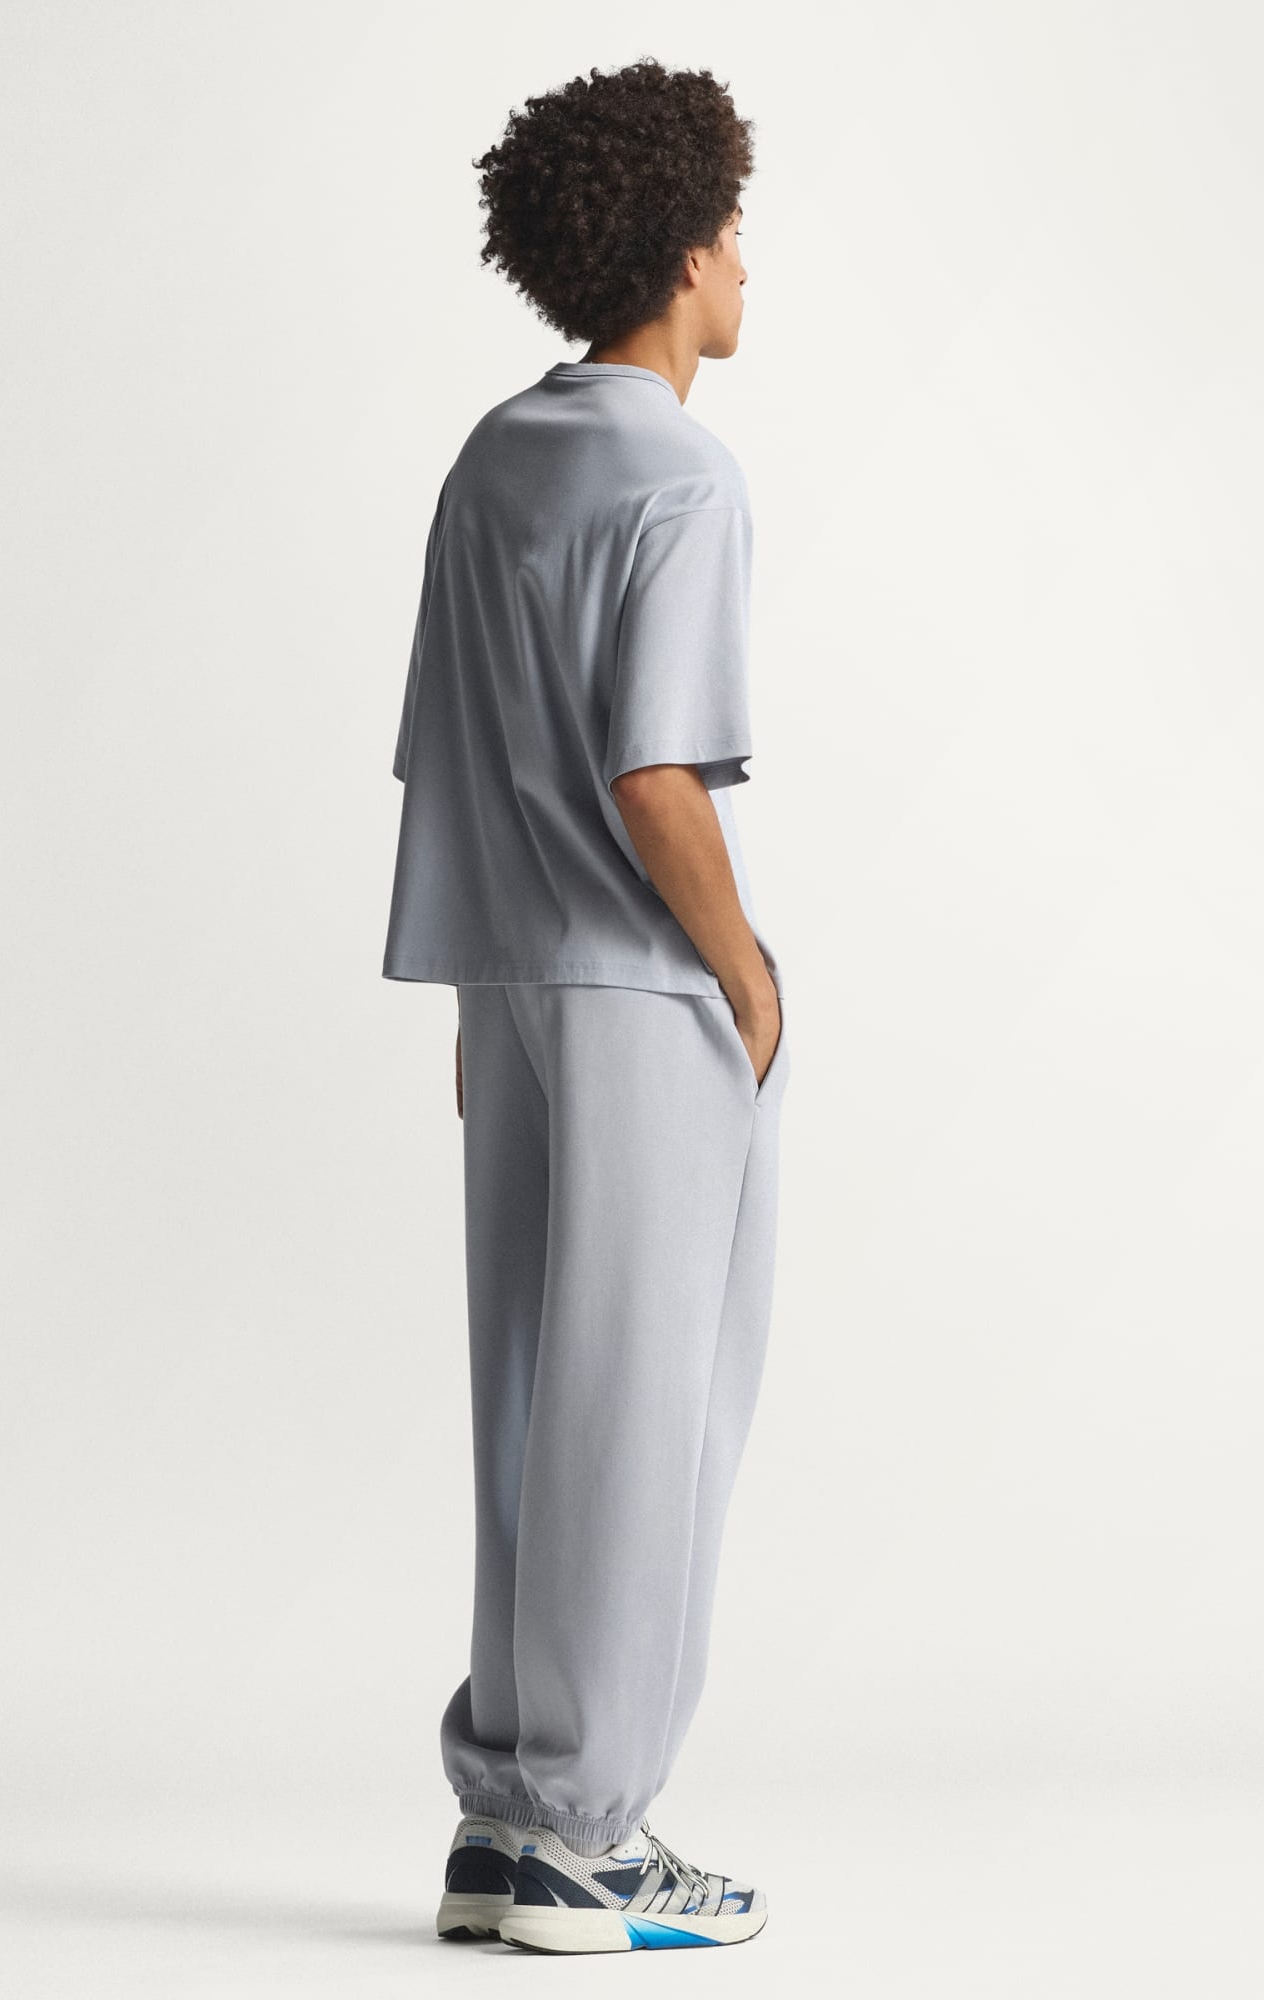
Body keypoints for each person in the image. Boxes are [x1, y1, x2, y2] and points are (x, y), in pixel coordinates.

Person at [381, 58, 789, 1955]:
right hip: (639, 991)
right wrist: (747, 971)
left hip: (514, 982)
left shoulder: (495, 458)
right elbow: (653, 774)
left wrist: (483, 997)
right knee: (650, 1406)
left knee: (535, 1395)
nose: (747, 256)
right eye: (736, 224)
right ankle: (590, 1841)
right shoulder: (682, 474)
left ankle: (504, 1819)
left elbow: (446, 756)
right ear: (683, 248)